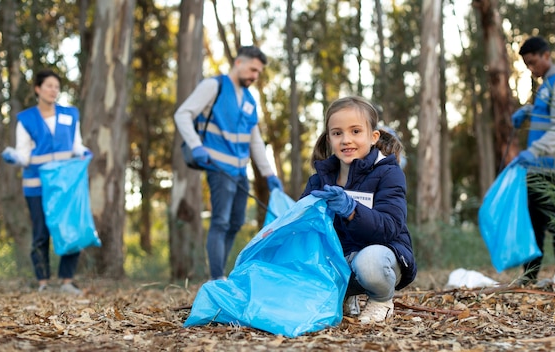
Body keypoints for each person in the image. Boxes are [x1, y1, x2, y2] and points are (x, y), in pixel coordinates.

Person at [300, 96, 416, 324]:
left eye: (355, 131)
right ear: (329, 138)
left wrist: (352, 210)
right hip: (339, 259)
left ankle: (381, 300)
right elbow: (305, 230)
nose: (346, 140)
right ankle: (345, 296)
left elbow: (390, 227)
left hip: (382, 257)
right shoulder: (319, 180)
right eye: (337, 133)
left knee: (369, 262)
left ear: (373, 137)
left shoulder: (389, 173)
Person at [174, 46, 282, 281]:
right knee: (220, 221)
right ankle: (216, 279)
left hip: (240, 171)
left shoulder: (250, 101)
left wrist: (268, 174)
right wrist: (195, 145)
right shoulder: (214, 86)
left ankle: (220, 274)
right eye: (253, 69)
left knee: (235, 222)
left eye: (259, 72)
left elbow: (255, 141)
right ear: (238, 63)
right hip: (218, 167)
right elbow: (182, 114)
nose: (255, 76)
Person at [1, 69, 91, 294]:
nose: (54, 90)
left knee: (68, 229)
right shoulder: (26, 119)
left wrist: (85, 152)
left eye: (57, 87)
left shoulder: (70, 115)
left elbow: (76, 145)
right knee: (40, 233)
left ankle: (67, 280)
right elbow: (24, 155)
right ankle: (43, 282)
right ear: (38, 89)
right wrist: (13, 157)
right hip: (36, 185)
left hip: (64, 186)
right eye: (49, 85)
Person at [511, 36, 555, 284]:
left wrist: (534, 150)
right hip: (540, 166)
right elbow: (551, 116)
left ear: (546, 55)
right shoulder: (549, 84)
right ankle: (530, 276)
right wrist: (530, 111)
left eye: (533, 62)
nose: (532, 69)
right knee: (534, 224)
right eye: (527, 65)